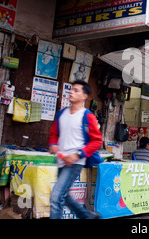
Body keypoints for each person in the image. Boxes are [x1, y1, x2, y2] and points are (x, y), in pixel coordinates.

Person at [48, 80, 103, 219]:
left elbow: (97, 141)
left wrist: (78, 154)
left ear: (84, 96)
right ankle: (87, 216)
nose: (71, 92)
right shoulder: (61, 114)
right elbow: (54, 133)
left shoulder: (88, 116)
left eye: (76, 90)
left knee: (56, 197)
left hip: (75, 162)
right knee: (64, 196)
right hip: (61, 160)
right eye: (71, 89)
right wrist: (53, 144)